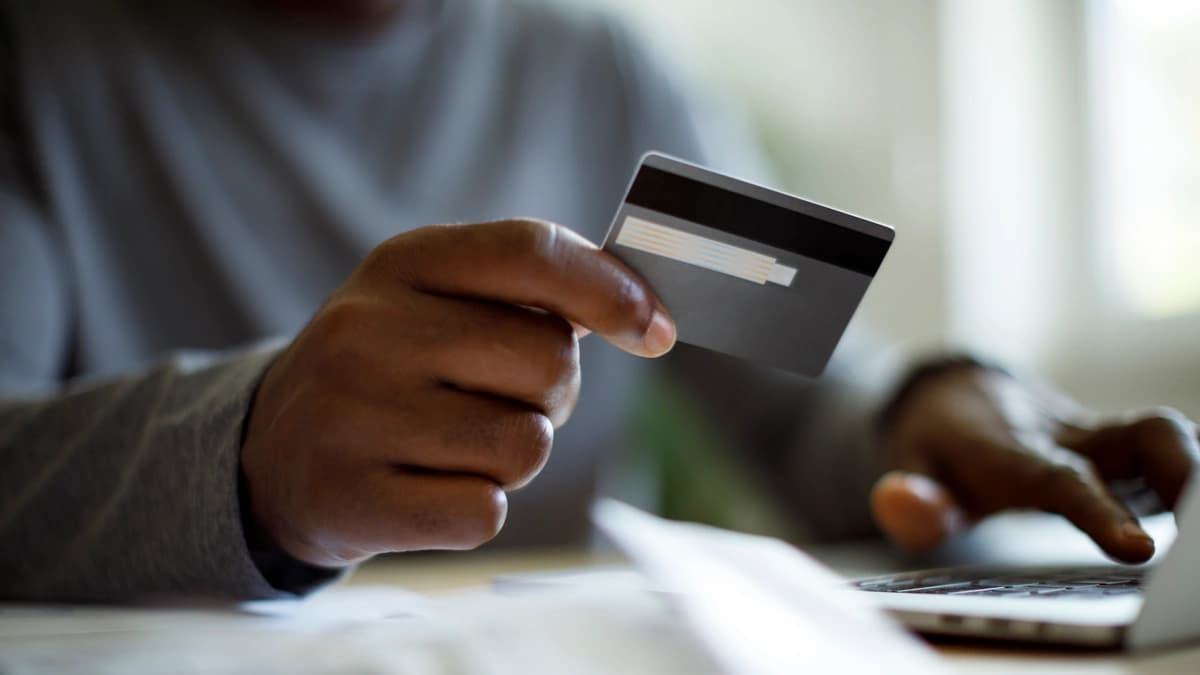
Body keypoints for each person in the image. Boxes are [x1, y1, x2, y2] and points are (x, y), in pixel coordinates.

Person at [1, 0, 1196, 602]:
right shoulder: (36, 58)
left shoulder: (594, 68)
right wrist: (248, 452)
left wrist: (923, 408)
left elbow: (797, 394)